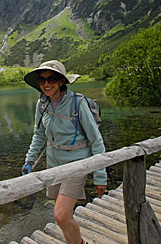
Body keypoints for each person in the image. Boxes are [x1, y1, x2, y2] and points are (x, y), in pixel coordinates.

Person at [22, 60, 106, 244]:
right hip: (54, 165)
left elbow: (96, 141)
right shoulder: (42, 104)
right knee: (64, 217)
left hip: (77, 165)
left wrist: (100, 176)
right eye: (42, 80)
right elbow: (39, 135)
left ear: (61, 81)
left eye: (51, 79)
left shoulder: (78, 103)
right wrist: (29, 161)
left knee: (60, 215)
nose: (46, 84)